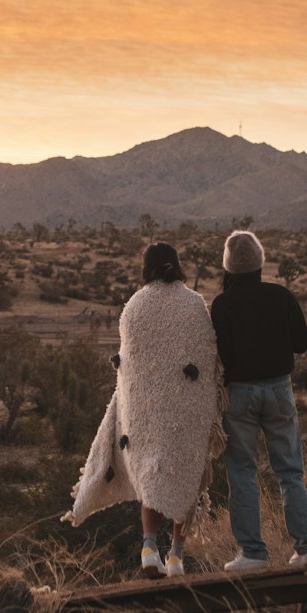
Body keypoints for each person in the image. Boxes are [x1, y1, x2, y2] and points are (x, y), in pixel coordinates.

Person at [63, 241, 221, 579]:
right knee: (185, 472)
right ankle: (176, 555)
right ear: (176, 265)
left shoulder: (134, 306)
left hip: (145, 409)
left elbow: (130, 365)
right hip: (186, 407)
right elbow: (208, 354)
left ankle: (149, 549)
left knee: (152, 473)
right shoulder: (194, 304)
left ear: (145, 268)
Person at [210, 229, 307, 571]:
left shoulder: (223, 304)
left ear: (229, 266)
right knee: (289, 471)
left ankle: (253, 553)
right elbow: (302, 342)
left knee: (242, 472)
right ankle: (306, 548)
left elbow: (220, 356)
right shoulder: (281, 296)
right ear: (260, 262)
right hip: (279, 389)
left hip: (240, 394)